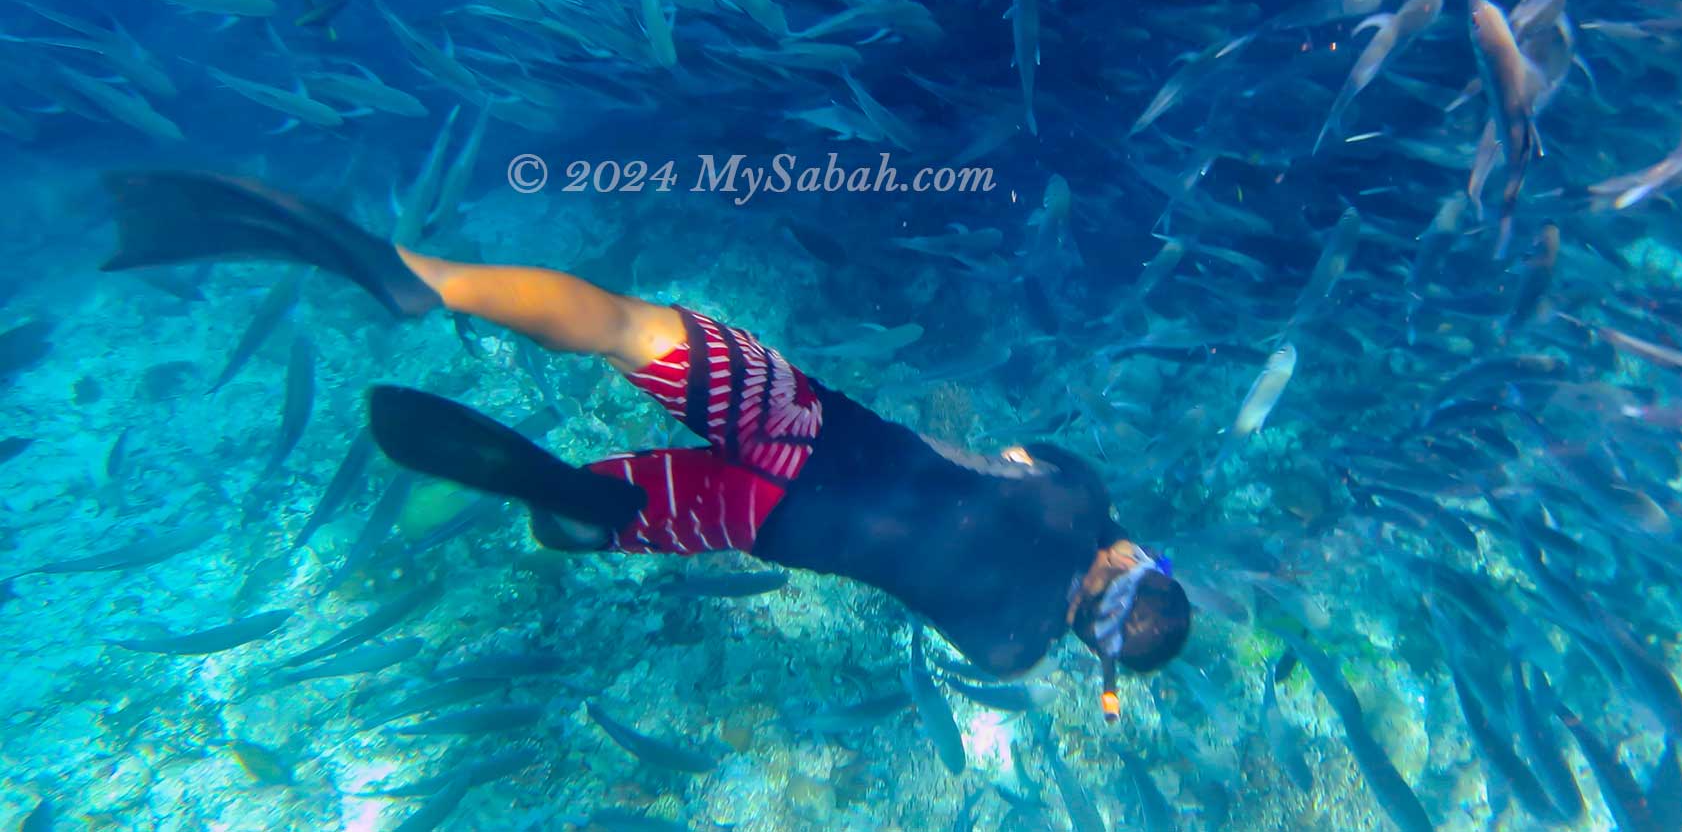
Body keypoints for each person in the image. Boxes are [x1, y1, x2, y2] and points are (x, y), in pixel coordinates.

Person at [99, 170, 1190, 717]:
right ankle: (572, 506)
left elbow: (1011, 454)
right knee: (594, 518)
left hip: (810, 423)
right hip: (776, 520)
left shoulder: (1076, 495)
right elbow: (977, 593)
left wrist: (1088, 525)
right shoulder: (1009, 651)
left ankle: (424, 277)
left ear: (1131, 556)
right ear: (1094, 647)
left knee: (622, 323)